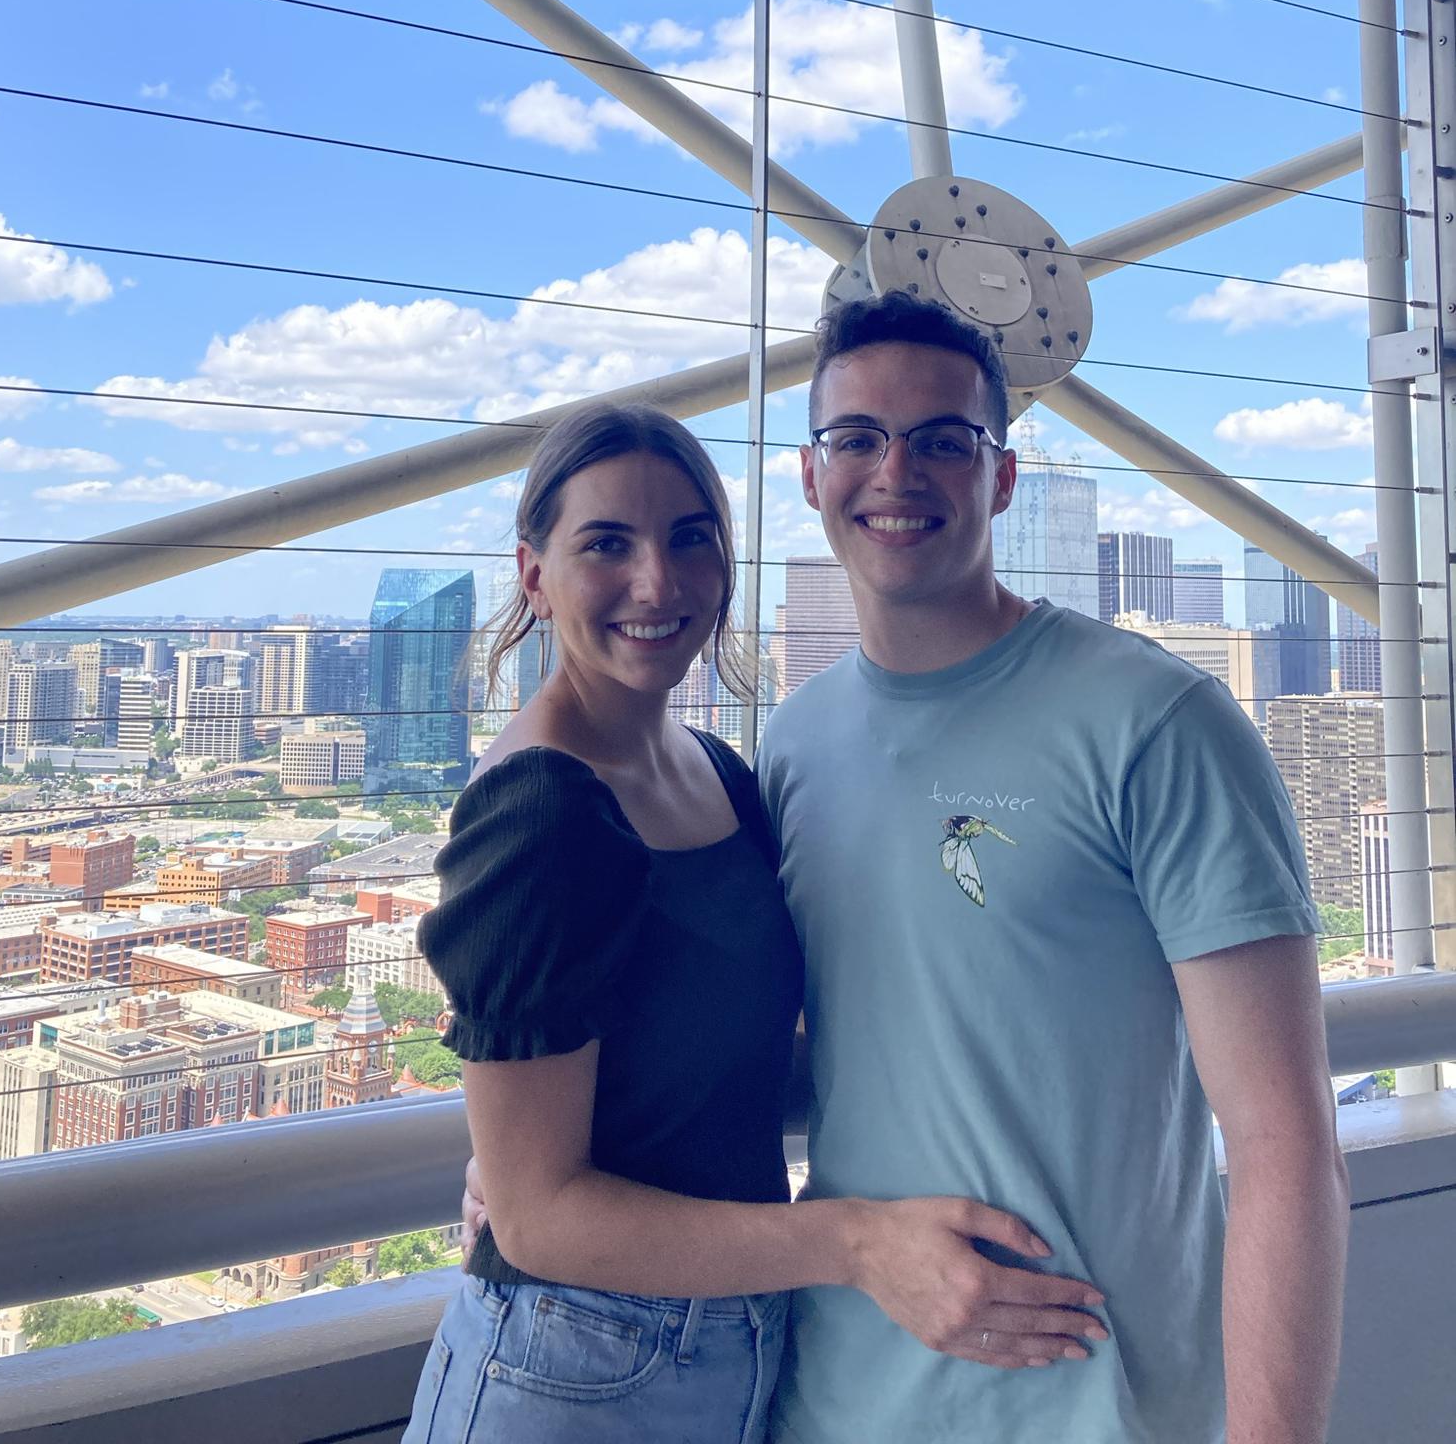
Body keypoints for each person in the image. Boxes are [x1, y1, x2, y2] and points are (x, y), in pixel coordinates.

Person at [403, 400, 1109, 1444]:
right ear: (533, 572)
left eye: (693, 537)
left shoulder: (720, 773)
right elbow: (540, 1217)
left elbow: (722, 1059)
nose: (660, 580)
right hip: (567, 1369)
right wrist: (864, 1244)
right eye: (608, 542)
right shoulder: (541, 808)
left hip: (739, 1339)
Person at [757, 289, 1350, 1444]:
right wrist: (556, 1163)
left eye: (943, 438)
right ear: (810, 472)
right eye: (858, 437)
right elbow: (828, 1048)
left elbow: (1284, 1139)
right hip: (835, 1397)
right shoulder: (793, 743)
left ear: (1004, 478)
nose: (897, 468)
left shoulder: (1154, 719)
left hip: (1105, 1406)